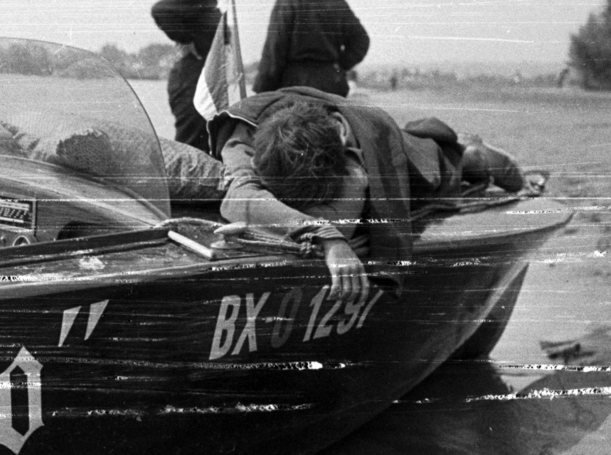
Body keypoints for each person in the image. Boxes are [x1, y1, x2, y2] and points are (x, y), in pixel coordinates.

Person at [211, 86, 533, 300]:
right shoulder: (245, 136)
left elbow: (388, 234)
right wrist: (324, 235)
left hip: (414, 159)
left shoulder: (370, 144)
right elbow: (238, 196)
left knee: (442, 167)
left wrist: (338, 239)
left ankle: (470, 152)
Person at [150, 0, 231, 152]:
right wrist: (185, 39)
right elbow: (160, 9)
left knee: (200, 144)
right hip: (190, 83)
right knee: (191, 145)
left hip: (199, 82)